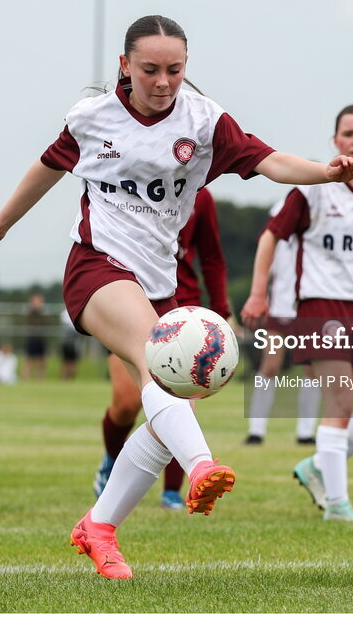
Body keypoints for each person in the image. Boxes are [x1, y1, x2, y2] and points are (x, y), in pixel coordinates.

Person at [0, 14, 353, 580]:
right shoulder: (93, 117)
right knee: (158, 365)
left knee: (168, 407)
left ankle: (99, 526)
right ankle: (201, 468)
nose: (163, 81)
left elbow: (269, 162)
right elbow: (48, 167)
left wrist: (325, 170)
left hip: (163, 287)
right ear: (125, 66)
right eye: (150, 70)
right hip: (96, 269)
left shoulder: (205, 121)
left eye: (175, 69)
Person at [242, 104, 353, 524]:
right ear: (334, 141)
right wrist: (258, 292)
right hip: (322, 306)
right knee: (338, 400)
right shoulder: (312, 188)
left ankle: (317, 466)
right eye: (349, 133)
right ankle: (336, 502)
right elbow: (271, 237)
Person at [93, 187, 231, 510]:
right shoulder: (127, 180)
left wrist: (222, 311)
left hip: (184, 308)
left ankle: (172, 490)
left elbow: (213, 258)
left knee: (180, 403)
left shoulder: (203, 196)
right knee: (126, 403)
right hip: (130, 302)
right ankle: (112, 459)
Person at [243, 199, 319, 446]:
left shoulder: (320, 223)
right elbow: (268, 265)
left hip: (311, 305)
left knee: (312, 370)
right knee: (271, 365)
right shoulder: (279, 223)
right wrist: (260, 296)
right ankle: (256, 430)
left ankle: (305, 432)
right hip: (280, 308)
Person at [23, 292, 52, 380]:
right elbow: (30, 323)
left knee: (42, 360)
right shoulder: (30, 312)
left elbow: (46, 324)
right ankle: (26, 378)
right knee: (29, 359)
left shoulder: (43, 313)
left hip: (41, 338)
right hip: (32, 338)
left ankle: (41, 379)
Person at [59, 308, 81, 380]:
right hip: (66, 342)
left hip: (75, 343)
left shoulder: (77, 310)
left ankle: (70, 379)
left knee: (74, 362)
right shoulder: (64, 313)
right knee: (65, 362)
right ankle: (64, 378)